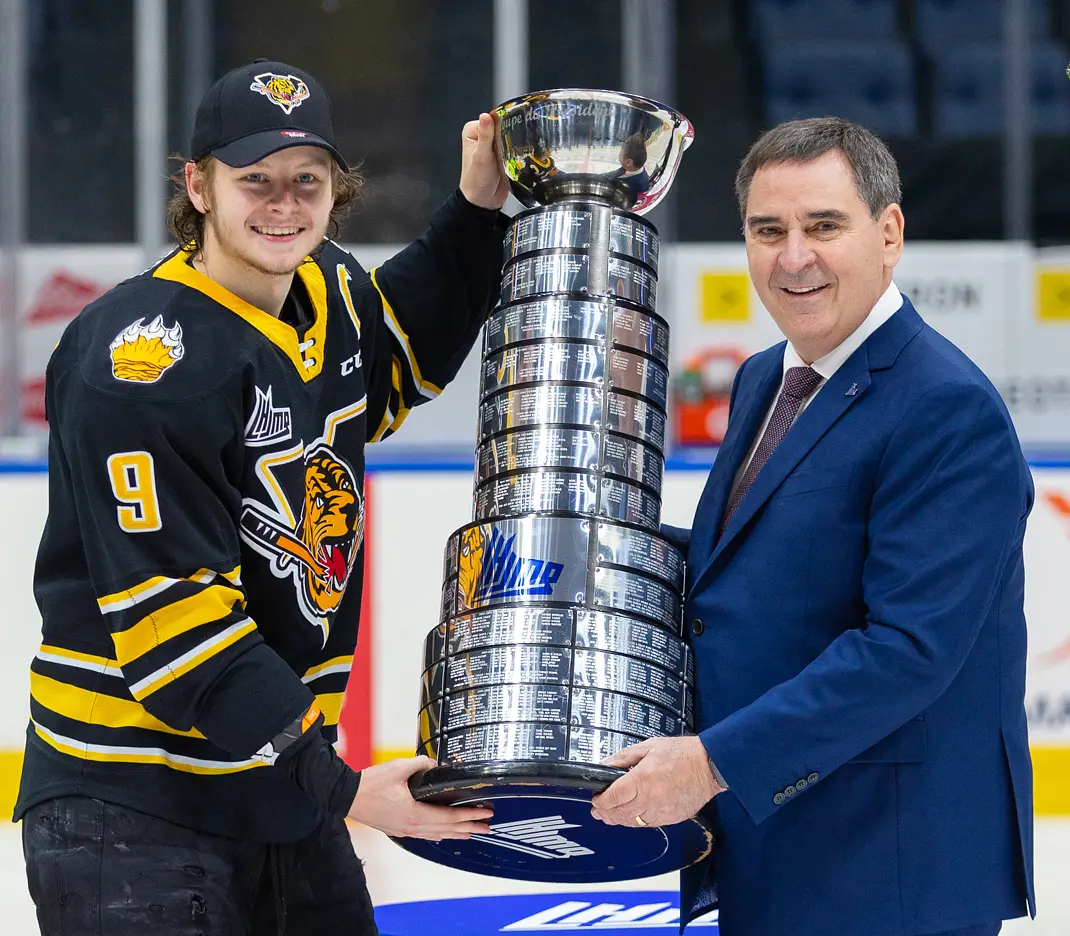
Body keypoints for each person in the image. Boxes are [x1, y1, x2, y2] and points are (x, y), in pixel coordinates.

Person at [14, 58, 510, 934]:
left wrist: (476, 209)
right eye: (254, 182)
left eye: (305, 181)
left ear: (334, 191)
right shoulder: (142, 361)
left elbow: (395, 356)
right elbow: (179, 633)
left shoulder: (329, 290)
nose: (282, 205)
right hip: (131, 803)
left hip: (275, 783)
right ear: (197, 187)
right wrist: (346, 788)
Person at [591, 117, 1034, 936]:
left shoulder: (947, 408)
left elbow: (907, 650)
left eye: (823, 226)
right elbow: (757, 571)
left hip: (890, 869)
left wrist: (712, 764)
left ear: (889, 232)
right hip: (778, 840)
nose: (793, 257)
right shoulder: (769, 376)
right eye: (768, 231)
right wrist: (605, 562)